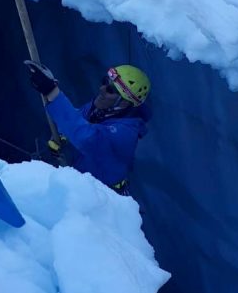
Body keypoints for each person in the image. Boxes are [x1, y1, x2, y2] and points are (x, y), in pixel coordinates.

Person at [25, 61, 151, 195]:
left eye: (111, 90)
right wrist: (63, 136)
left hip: (104, 197)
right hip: (83, 183)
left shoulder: (126, 132)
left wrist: (52, 92)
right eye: (104, 82)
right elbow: (79, 117)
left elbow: (89, 138)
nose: (102, 89)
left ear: (125, 102)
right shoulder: (101, 108)